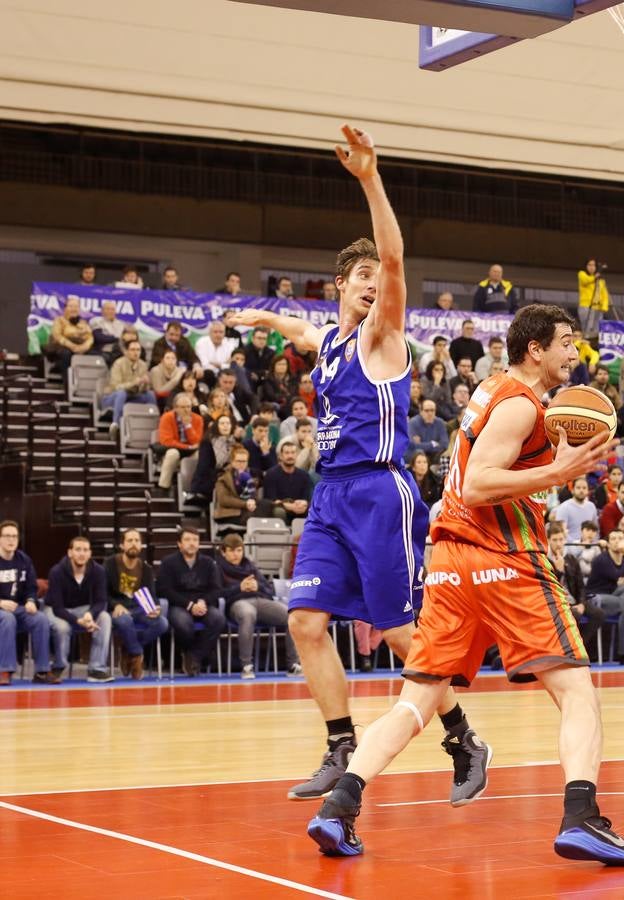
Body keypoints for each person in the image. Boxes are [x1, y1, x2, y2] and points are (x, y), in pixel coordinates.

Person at [307, 303, 624, 866]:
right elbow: (482, 485)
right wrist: (558, 474)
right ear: (535, 349)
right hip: (505, 559)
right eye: (566, 342)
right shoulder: (518, 404)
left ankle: (339, 807)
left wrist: (550, 460)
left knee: (415, 703)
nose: (574, 352)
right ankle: (583, 817)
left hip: (448, 562)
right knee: (576, 691)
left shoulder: (492, 391)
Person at [228, 125, 486, 806]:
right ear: (340, 286)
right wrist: (262, 318)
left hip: (380, 490)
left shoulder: (382, 334)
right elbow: (300, 329)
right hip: (332, 494)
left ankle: (461, 736)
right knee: (304, 621)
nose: (375, 285)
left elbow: (395, 259)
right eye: (362, 277)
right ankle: (339, 741)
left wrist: (369, 178)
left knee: (403, 631)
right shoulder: (330, 342)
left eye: (379, 279)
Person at [216, 534, 301, 679]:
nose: (235, 554)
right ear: (223, 552)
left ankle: (293, 664)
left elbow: (269, 590)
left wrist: (257, 586)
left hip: (259, 599)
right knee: (248, 614)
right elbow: (217, 593)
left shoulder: (250, 566)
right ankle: (246, 666)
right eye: (231, 550)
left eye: (238, 550)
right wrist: (239, 587)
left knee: (290, 616)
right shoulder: (217, 568)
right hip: (237, 603)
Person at [156, 527, 227, 675]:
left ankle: (194, 656)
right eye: (187, 540)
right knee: (183, 624)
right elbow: (164, 590)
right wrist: (189, 605)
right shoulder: (168, 563)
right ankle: (191, 654)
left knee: (219, 619)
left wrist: (203, 601)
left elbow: (216, 589)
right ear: (179, 544)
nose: (192, 543)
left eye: (195, 540)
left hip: (202, 604)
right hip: (179, 605)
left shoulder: (208, 563)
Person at [45, 536, 114, 683]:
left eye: (85, 550)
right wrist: (78, 621)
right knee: (62, 627)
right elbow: (58, 608)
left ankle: (97, 669)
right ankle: (59, 666)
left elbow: (101, 601)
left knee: (105, 617)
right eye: (77, 550)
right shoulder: (56, 572)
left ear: (90, 554)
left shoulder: (98, 571)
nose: (81, 554)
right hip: (55, 609)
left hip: (83, 610)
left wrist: (90, 614)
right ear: (70, 553)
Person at [104, 528, 168, 680]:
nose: (133, 544)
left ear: (141, 545)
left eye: (137, 541)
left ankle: (129, 648)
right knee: (125, 621)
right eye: (130, 541)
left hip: (138, 608)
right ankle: (137, 654)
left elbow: (152, 595)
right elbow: (102, 592)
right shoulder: (110, 564)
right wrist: (114, 605)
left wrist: (156, 607)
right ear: (122, 545)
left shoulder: (145, 568)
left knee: (162, 623)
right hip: (117, 608)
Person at [0, 521, 52, 685]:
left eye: (14, 536)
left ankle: (42, 671)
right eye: (7, 536)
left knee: (41, 619)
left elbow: (31, 587)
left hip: (19, 609)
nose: (11, 540)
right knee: (7, 619)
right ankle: (5, 670)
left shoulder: (24, 560)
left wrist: (31, 601)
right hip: (2, 610)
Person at [586, 529, 624, 666]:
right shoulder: (601, 560)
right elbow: (619, 576)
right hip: (597, 598)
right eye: (613, 538)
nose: (617, 541)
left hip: (617, 597)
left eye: (620, 538)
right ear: (608, 543)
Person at [546, 523, 605, 661]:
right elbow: (550, 588)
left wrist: (582, 603)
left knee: (599, 614)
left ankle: (580, 646)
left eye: (561, 540)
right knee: (574, 614)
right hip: (556, 603)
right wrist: (559, 571)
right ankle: (569, 650)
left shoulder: (571, 559)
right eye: (555, 540)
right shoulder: (544, 560)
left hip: (574, 600)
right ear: (548, 540)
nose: (559, 544)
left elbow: (580, 586)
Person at [101, 339, 157, 431]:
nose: (136, 353)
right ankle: (115, 425)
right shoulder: (118, 363)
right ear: (126, 351)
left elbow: (143, 390)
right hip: (112, 398)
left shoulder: (143, 365)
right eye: (133, 350)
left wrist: (146, 384)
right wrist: (134, 383)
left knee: (150, 394)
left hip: (132, 397)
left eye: (138, 350)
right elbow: (116, 387)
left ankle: (153, 425)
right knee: (122, 393)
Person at [155, 392, 204, 490]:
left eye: (188, 407)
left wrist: (188, 426)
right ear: (176, 408)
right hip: (173, 449)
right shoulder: (167, 417)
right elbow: (166, 441)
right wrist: (187, 447)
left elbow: (197, 441)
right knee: (173, 453)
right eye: (183, 407)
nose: (186, 410)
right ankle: (163, 486)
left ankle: (192, 488)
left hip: (190, 452)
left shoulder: (198, 419)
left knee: (200, 455)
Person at [45, 297, 94, 376]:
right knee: (66, 354)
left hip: (80, 347)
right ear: (65, 308)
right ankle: (68, 383)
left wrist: (84, 347)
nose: (74, 309)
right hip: (62, 347)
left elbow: (90, 337)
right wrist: (72, 346)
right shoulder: (59, 320)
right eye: (71, 306)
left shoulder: (83, 322)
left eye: (76, 307)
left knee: (94, 355)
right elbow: (57, 336)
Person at [407, 397, 449, 464]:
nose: (430, 413)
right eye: (426, 411)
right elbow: (413, 445)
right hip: (416, 458)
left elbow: (445, 444)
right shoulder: (413, 422)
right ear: (421, 411)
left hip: (434, 456)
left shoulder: (440, 422)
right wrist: (433, 444)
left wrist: (422, 444)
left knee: (445, 454)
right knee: (418, 451)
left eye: (432, 410)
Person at [577, 258, 610, 336]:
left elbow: (604, 294)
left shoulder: (600, 280)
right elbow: (586, 281)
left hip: (598, 308)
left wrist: (604, 307)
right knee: (587, 328)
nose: (592, 267)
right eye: (589, 265)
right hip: (586, 306)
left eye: (594, 265)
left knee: (597, 329)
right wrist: (595, 276)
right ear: (586, 266)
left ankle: (594, 345)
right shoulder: (582, 274)